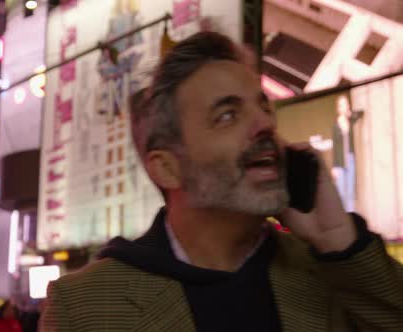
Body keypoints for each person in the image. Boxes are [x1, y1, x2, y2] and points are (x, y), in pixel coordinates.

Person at [39, 31, 403, 331]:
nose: (265, 125)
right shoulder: (85, 307)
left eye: (263, 107)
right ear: (166, 168)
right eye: (227, 115)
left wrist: (339, 240)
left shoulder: (330, 273)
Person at [331, 95, 362, 212]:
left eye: (347, 104)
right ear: (338, 108)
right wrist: (333, 167)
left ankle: (351, 216)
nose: (346, 106)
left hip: (350, 158)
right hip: (339, 162)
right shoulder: (335, 126)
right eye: (343, 104)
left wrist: (349, 114)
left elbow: (360, 113)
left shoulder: (351, 120)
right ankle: (342, 217)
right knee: (341, 193)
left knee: (350, 192)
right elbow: (335, 147)